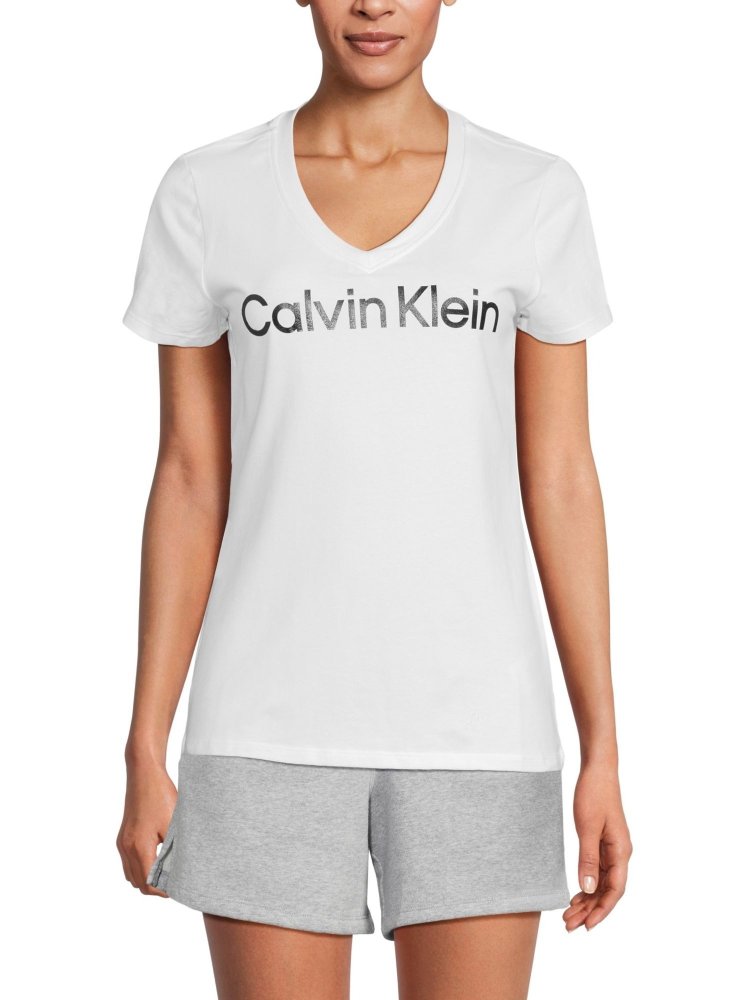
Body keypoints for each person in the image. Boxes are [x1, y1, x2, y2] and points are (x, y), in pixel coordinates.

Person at [116, 1, 633, 997]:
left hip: (482, 731)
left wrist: (602, 747)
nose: (373, 5)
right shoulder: (208, 193)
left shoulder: (533, 194)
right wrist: (145, 743)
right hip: (260, 731)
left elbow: (563, 475)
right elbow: (188, 475)